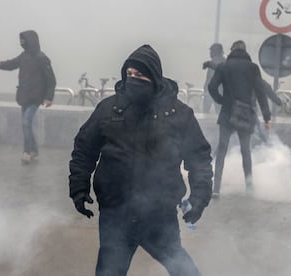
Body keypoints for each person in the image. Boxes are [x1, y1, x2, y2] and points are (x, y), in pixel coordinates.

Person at [69, 44, 213, 276]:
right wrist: (78, 186)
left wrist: (199, 197)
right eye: (129, 75)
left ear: (154, 77)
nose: (133, 80)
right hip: (116, 213)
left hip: (159, 215)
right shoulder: (109, 109)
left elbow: (199, 158)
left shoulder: (178, 114)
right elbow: (84, 149)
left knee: (185, 271)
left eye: (140, 75)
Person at [208, 40, 271, 197]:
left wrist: (221, 101)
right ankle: (249, 187)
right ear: (245, 51)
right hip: (246, 114)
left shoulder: (224, 66)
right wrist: (266, 116)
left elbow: (211, 87)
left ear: (232, 50)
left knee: (222, 149)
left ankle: (216, 188)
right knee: (245, 150)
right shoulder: (253, 68)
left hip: (227, 113)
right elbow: (261, 92)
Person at [0, 30, 56, 164]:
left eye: (23, 40)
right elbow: (12, 64)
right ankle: (34, 150)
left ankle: (27, 152)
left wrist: (49, 97)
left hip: (35, 98)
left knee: (26, 122)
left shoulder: (41, 58)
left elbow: (51, 80)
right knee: (26, 125)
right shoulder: (24, 56)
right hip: (24, 96)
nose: (21, 43)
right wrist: (0, 65)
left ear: (30, 41)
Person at [202, 43, 226, 114]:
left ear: (216, 51)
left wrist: (206, 87)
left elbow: (210, 78)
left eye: (211, 51)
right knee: (217, 111)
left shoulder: (221, 62)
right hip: (215, 91)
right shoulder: (222, 61)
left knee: (207, 112)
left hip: (217, 91)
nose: (210, 53)